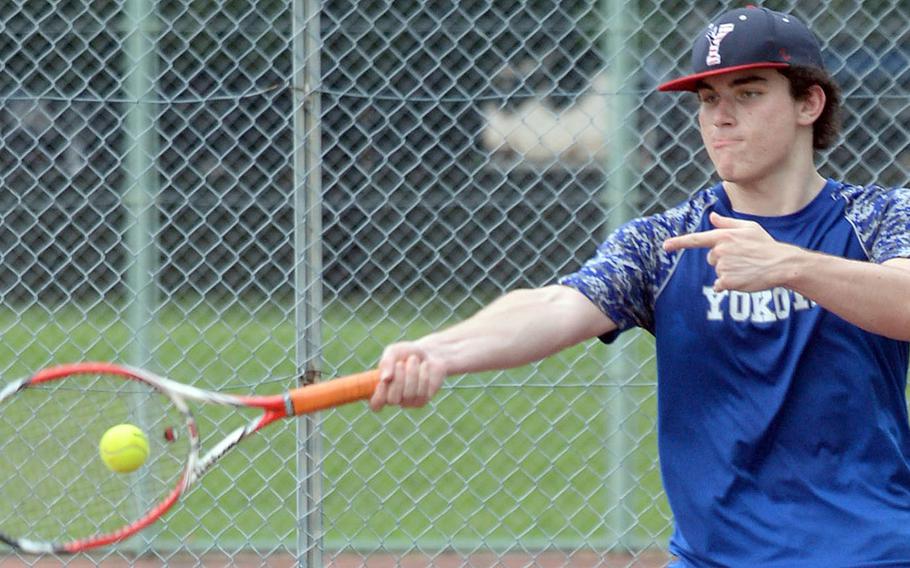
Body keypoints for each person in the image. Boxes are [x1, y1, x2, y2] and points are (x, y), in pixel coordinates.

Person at [369, 6, 910, 566]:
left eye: (747, 93)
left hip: (873, 552)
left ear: (808, 103)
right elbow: (557, 305)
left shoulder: (880, 218)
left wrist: (789, 264)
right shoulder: (666, 243)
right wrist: (435, 351)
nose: (720, 117)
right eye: (707, 99)